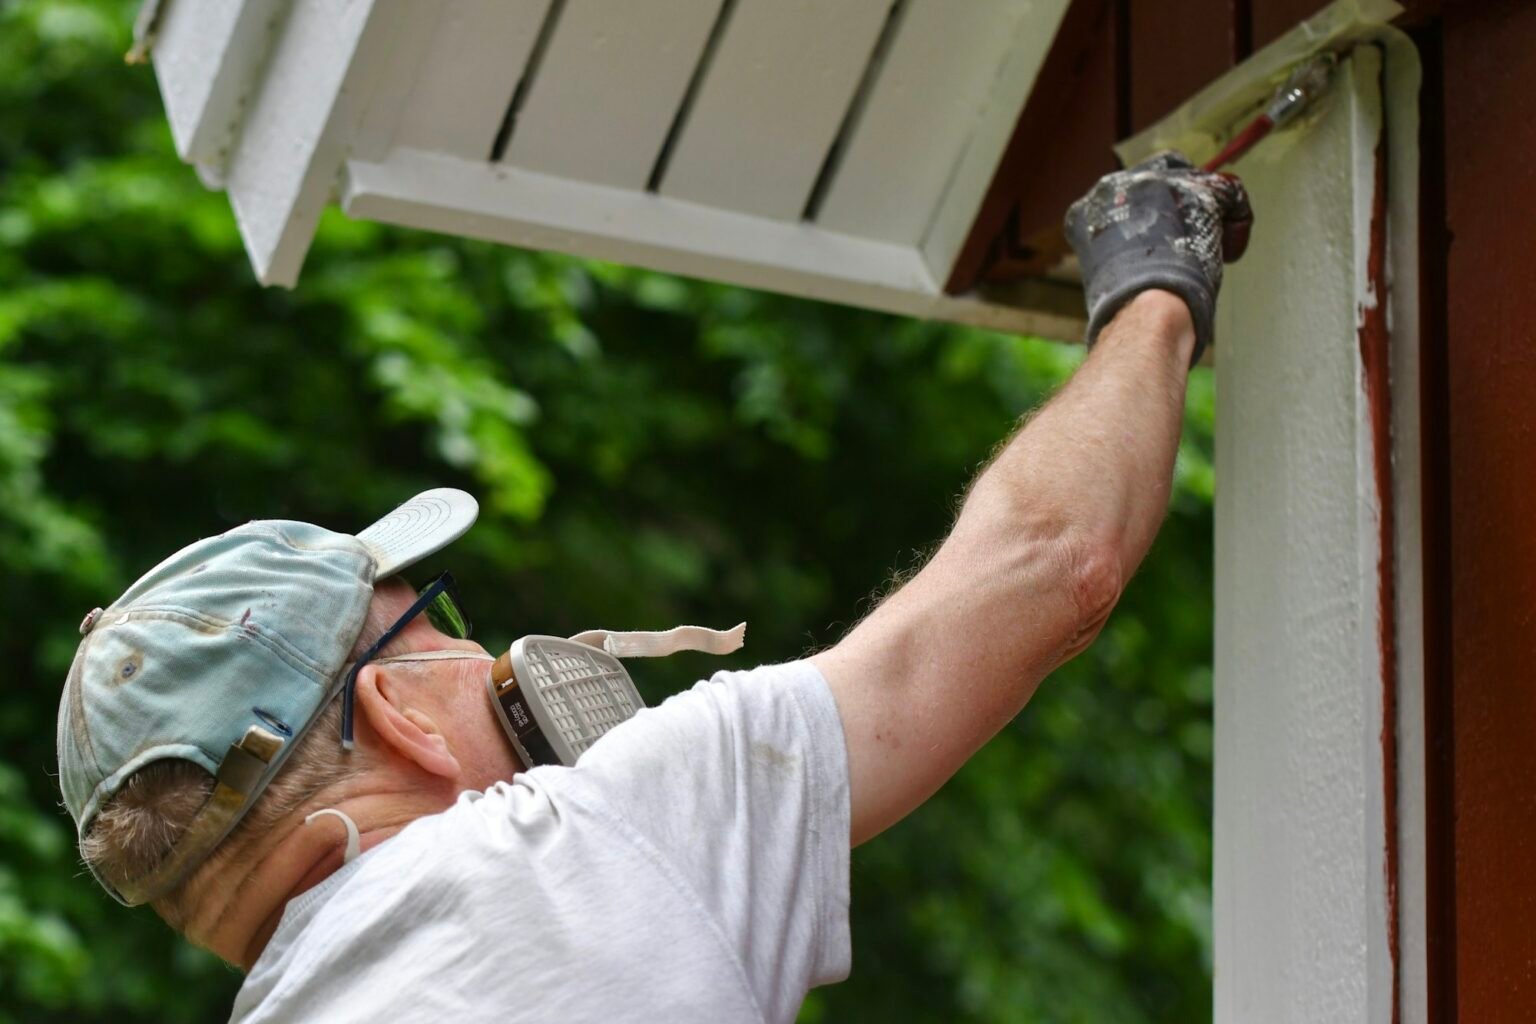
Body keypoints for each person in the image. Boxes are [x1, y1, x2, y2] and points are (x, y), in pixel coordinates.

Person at [57, 154, 1251, 1023]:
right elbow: (1055, 562)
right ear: (397, 714)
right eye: (440, 625)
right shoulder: (578, 845)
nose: (491, 659)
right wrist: (1152, 280)